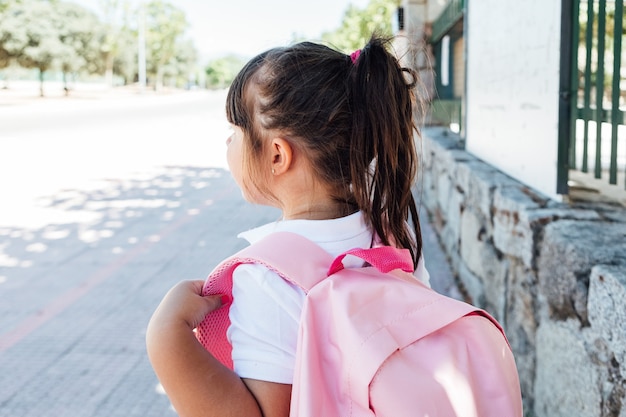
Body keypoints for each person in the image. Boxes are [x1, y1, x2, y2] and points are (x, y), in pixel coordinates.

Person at [146, 33, 429, 417]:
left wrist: (167, 334)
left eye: (236, 132)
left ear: (277, 154)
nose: (227, 144)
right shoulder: (394, 238)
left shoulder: (268, 279)